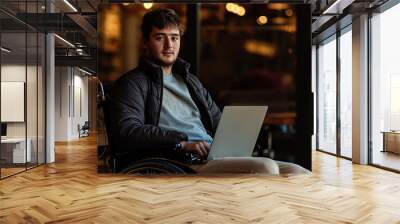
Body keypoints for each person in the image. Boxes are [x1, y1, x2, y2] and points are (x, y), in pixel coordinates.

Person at [109, 8, 309, 175]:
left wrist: (236, 139)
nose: (169, 45)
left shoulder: (190, 82)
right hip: (183, 160)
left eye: (174, 37)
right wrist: (182, 143)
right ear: (145, 42)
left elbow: (218, 121)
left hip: (214, 155)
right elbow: (128, 132)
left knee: (299, 173)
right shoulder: (132, 83)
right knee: (266, 167)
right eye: (160, 38)